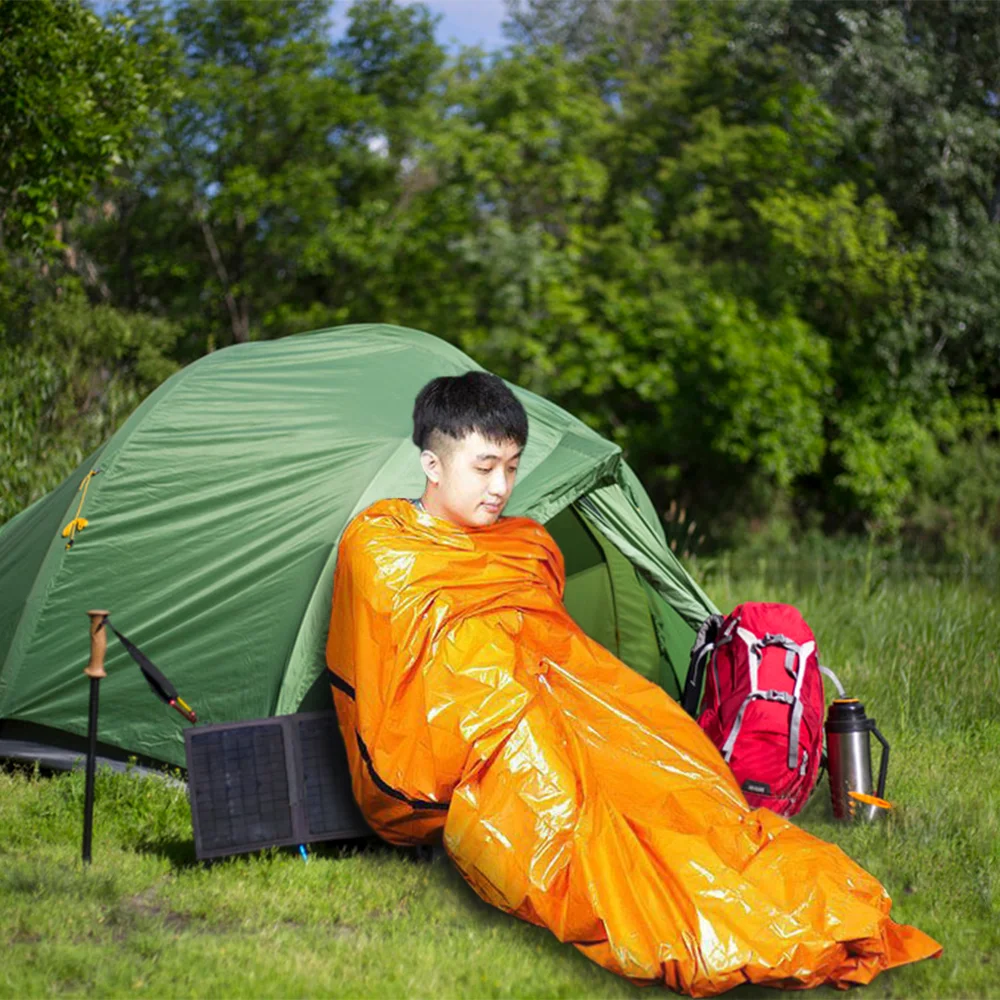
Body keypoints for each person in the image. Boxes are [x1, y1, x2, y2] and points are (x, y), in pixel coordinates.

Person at [326, 372, 940, 997]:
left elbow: (554, 642)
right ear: (432, 462)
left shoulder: (524, 543)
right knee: (571, 809)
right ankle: (678, 909)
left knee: (667, 745)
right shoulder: (382, 544)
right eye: (484, 467)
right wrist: (514, 700)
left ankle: (736, 873)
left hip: (560, 695)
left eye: (511, 467)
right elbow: (404, 669)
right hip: (471, 734)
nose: (501, 486)